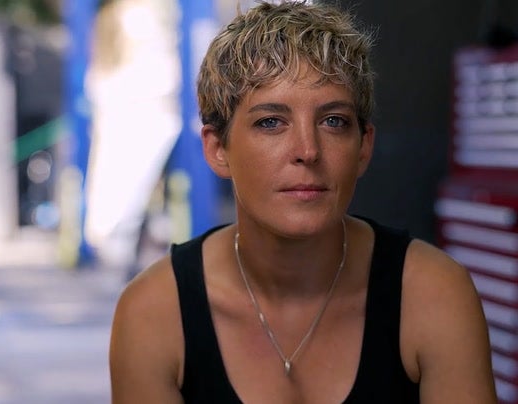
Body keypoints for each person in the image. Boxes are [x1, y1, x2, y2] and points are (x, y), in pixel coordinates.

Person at [109, 1, 497, 403]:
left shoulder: (433, 295)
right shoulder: (156, 312)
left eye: (333, 121)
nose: (308, 150)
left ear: (364, 146)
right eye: (271, 122)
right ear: (217, 148)